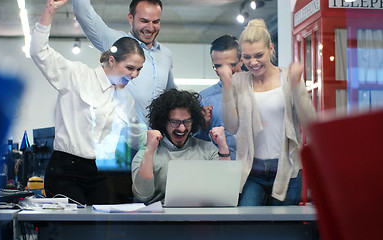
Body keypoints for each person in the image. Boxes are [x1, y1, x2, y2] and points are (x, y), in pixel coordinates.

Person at [30, 0, 145, 204]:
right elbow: (39, 52)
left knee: (108, 223)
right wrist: (50, 10)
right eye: (130, 68)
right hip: (65, 169)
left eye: (139, 70)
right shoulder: (77, 75)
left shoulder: (126, 99)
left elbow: (133, 140)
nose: (134, 75)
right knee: (73, 227)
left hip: (98, 170)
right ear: (111, 61)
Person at [221, 19, 317, 206]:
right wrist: (226, 87)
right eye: (247, 57)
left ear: (271, 49)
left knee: (284, 231)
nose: (253, 62)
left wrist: (297, 86)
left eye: (259, 55)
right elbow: (231, 127)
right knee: (247, 229)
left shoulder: (289, 78)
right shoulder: (239, 81)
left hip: (286, 170)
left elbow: (310, 121)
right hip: (251, 173)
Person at [73, 0, 177, 126]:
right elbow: (84, 14)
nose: (150, 28)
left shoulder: (166, 54)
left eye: (155, 22)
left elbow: (171, 94)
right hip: (122, 138)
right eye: (144, 21)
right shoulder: (116, 42)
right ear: (130, 18)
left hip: (156, 140)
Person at [131, 89, 231, 204]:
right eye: (175, 122)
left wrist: (223, 147)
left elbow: (226, 193)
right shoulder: (146, 153)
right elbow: (143, 196)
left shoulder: (208, 150)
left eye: (187, 121)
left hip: (198, 218)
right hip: (159, 219)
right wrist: (149, 151)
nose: (182, 128)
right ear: (163, 121)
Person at [194, 35, 242, 160]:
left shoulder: (257, 90)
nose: (226, 71)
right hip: (221, 168)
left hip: (257, 172)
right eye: (219, 66)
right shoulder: (204, 99)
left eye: (231, 64)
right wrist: (203, 126)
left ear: (241, 60)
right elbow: (196, 144)